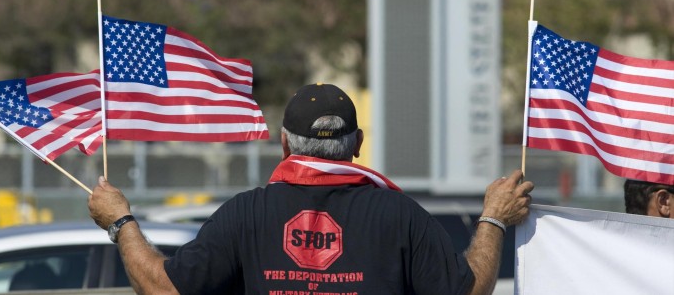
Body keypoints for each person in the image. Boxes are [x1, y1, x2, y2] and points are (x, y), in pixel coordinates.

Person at [88, 83, 534, 295]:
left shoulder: (247, 214)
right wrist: (493, 217)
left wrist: (121, 222)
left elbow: (164, 290)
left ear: (284, 144)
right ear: (358, 145)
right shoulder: (400, 215)